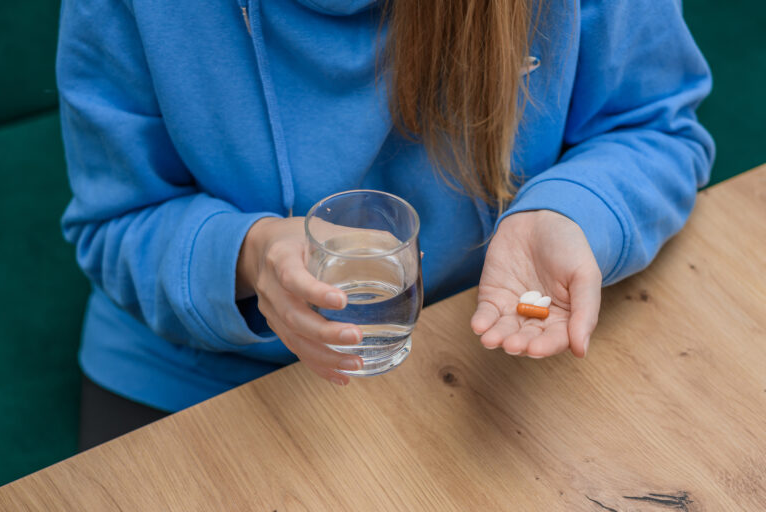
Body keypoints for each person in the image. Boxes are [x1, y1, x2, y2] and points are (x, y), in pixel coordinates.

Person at [57, 0, 714, 449]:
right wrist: (247, 258)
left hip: (473, 354)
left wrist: (572, 210)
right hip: (201, 378)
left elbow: (653, 123)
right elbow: (116, 222)